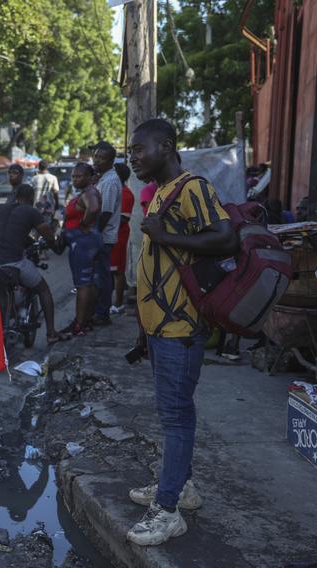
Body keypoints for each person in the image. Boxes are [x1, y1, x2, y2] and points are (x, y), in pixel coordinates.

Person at [127, 118, 237, 546]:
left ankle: (169, 510)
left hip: (181, 326)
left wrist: (166, 234)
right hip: (160, 325)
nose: (133, 156)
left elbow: (225, 239)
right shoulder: (162, 194)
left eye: (140, 149)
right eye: (131, 151)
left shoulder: (194, 187)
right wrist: (142, 329)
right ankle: (181, 486)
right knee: (175, 413)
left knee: (175, 419)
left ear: (167, 147)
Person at [0, 183, 70, 344]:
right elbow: (48, 236)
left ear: (15, 196)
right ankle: (51, 333)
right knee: (44, 290)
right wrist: (56, 249)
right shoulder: (31, 211)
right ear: (32, 198)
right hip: (14, 263)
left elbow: (6, 233)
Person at [62, 163, 102, 336]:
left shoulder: (89, 192)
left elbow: (93, 208)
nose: (75, 179)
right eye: (73, 176)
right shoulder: (87, 191)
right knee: (89, 282)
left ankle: (79, 325)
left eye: (79, 176)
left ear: (89, 177)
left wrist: (83, 225)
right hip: (88, 242)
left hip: (84, 243)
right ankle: (85, 320)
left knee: (83, 285)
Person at [91, 142, 121, 326]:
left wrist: (94, 234)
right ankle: (99, 310)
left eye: (101, 158)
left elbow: (106, 212)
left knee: (102, 276)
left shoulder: (110, 182)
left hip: (103, 236)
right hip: (101, 236)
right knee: (100, 275)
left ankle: (102, 313)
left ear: (110, 160)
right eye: (96, 157)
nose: (96, 160)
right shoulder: (103, 178)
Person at [110, 163, 135, 313]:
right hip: (113, 235)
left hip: (118, 236)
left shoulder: (125, 193)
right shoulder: (118, 190)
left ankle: (118, 303)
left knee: (118, 271)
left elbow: (123, 218)